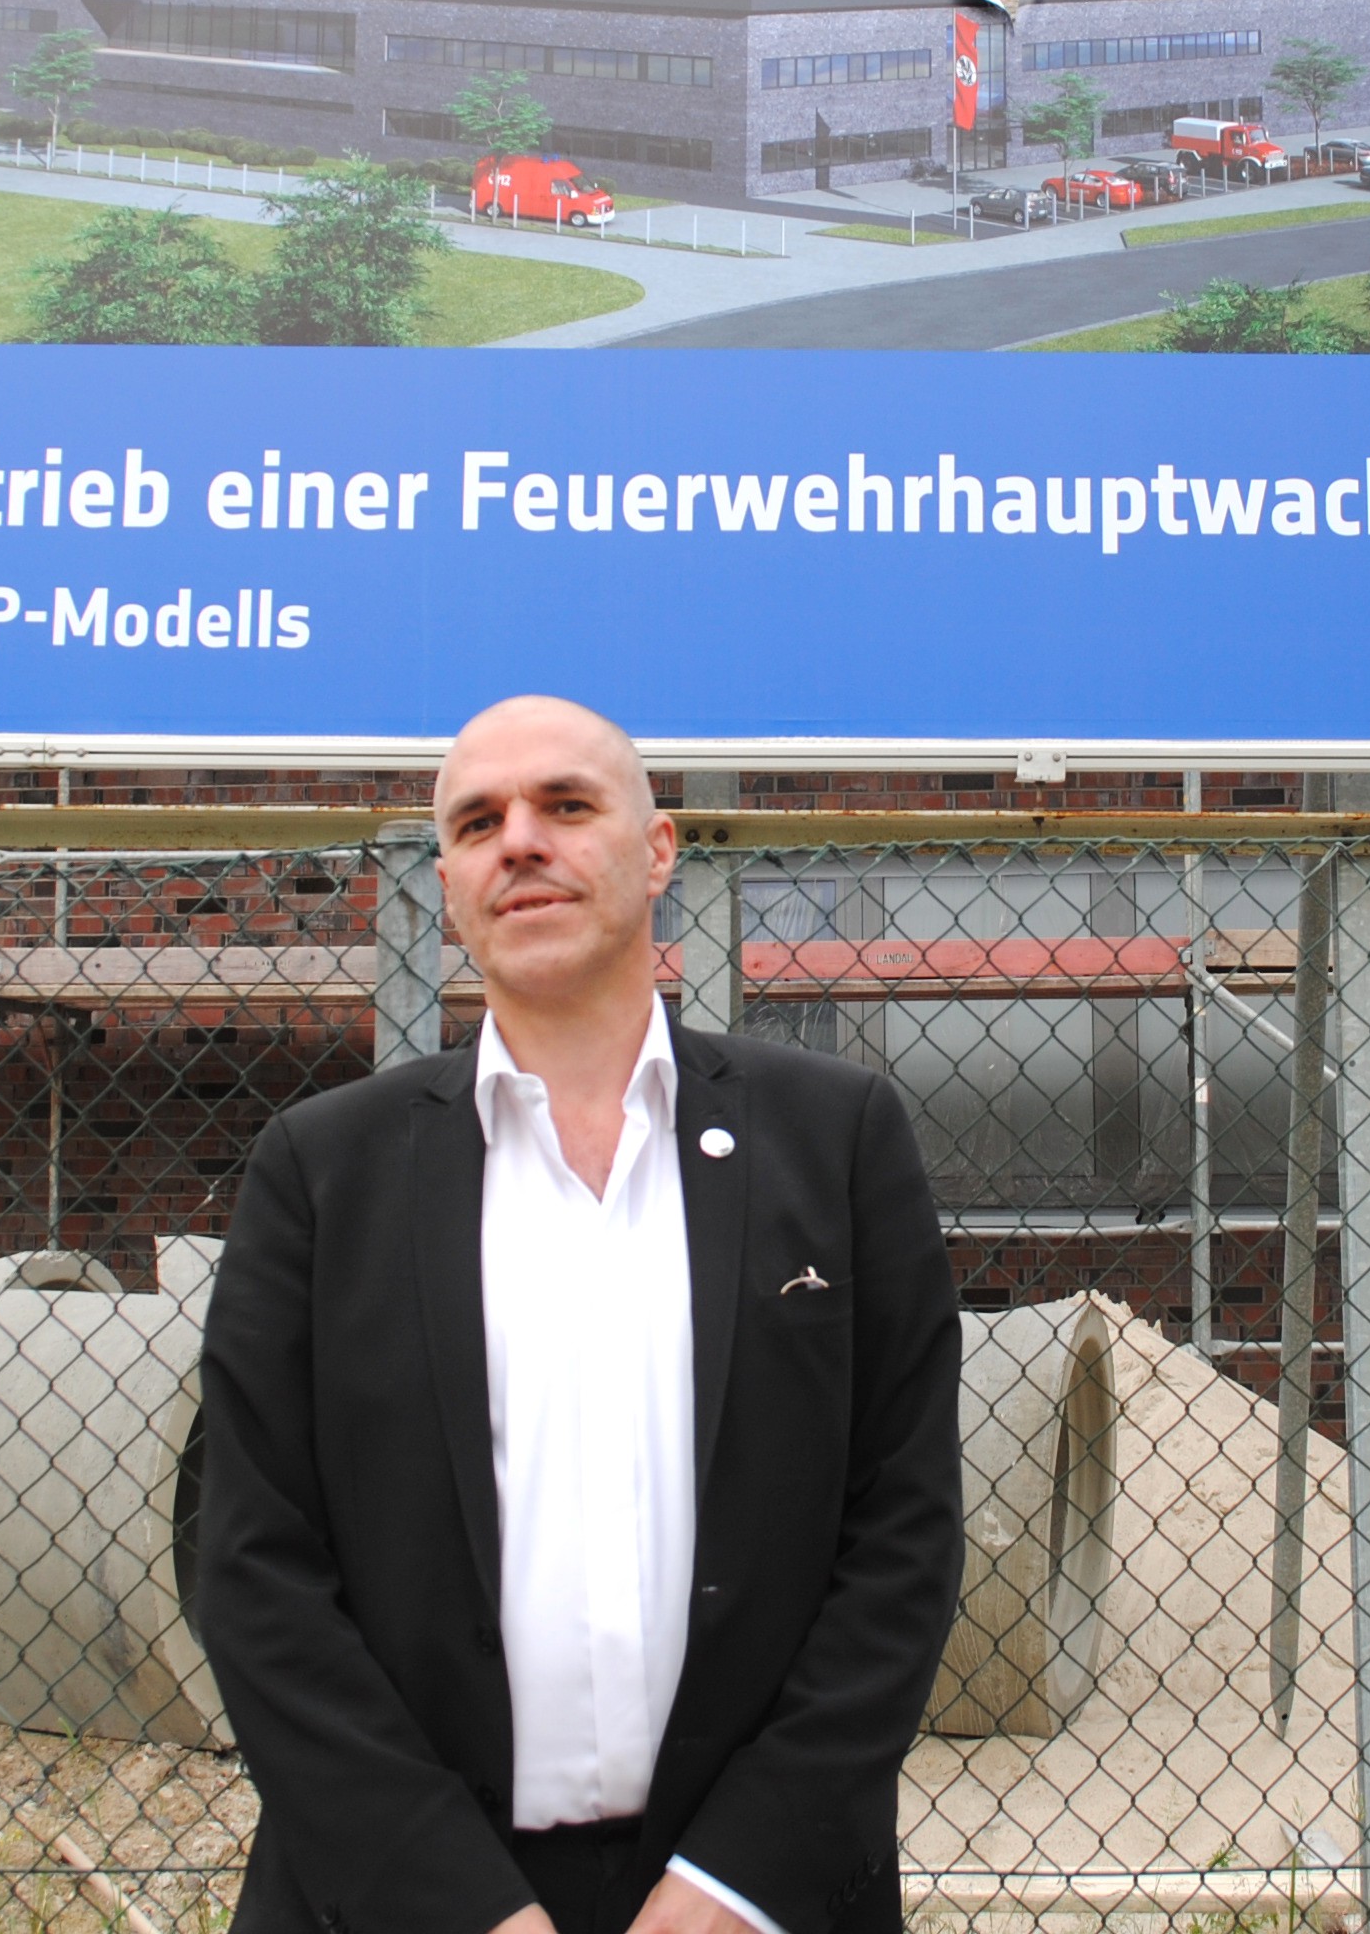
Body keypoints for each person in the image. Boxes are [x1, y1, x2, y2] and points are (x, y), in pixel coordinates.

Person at [192, 695, 962, 1934]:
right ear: (448, 884)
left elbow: (903, 1536)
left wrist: (738, 1881)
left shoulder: (837, 1140)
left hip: (751, 1902)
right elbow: (252, 1568)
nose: (519, 841)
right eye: (476, 822)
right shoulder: (320, 1174)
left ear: (655, 851)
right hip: (407, 1905)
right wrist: (454, 1906)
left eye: (564, 805)